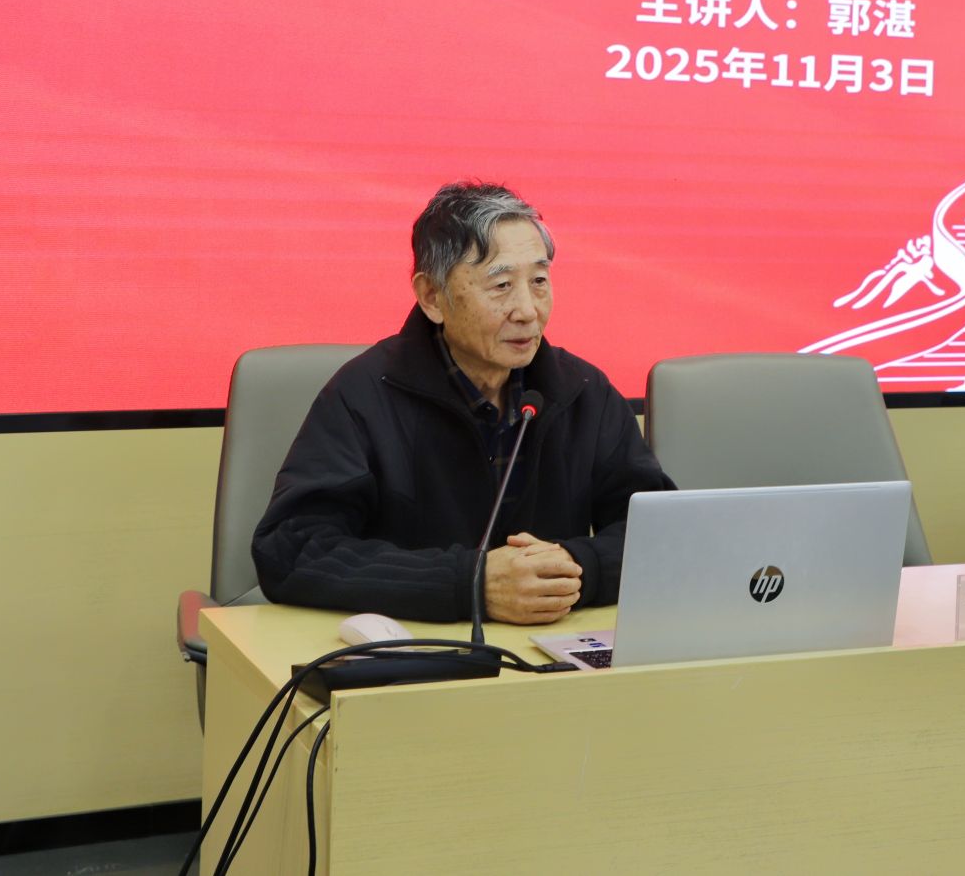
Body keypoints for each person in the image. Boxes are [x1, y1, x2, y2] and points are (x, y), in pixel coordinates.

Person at [252, 182, 673, 625]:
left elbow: (663, 535)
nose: (527, 310)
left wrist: (569, 570)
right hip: (415, 647)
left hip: (552, 648)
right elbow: (292, 548)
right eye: (502, 285)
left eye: (539, 281)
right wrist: (468, 583)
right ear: (433, 297)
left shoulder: (581, 391)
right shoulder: (363, 394)